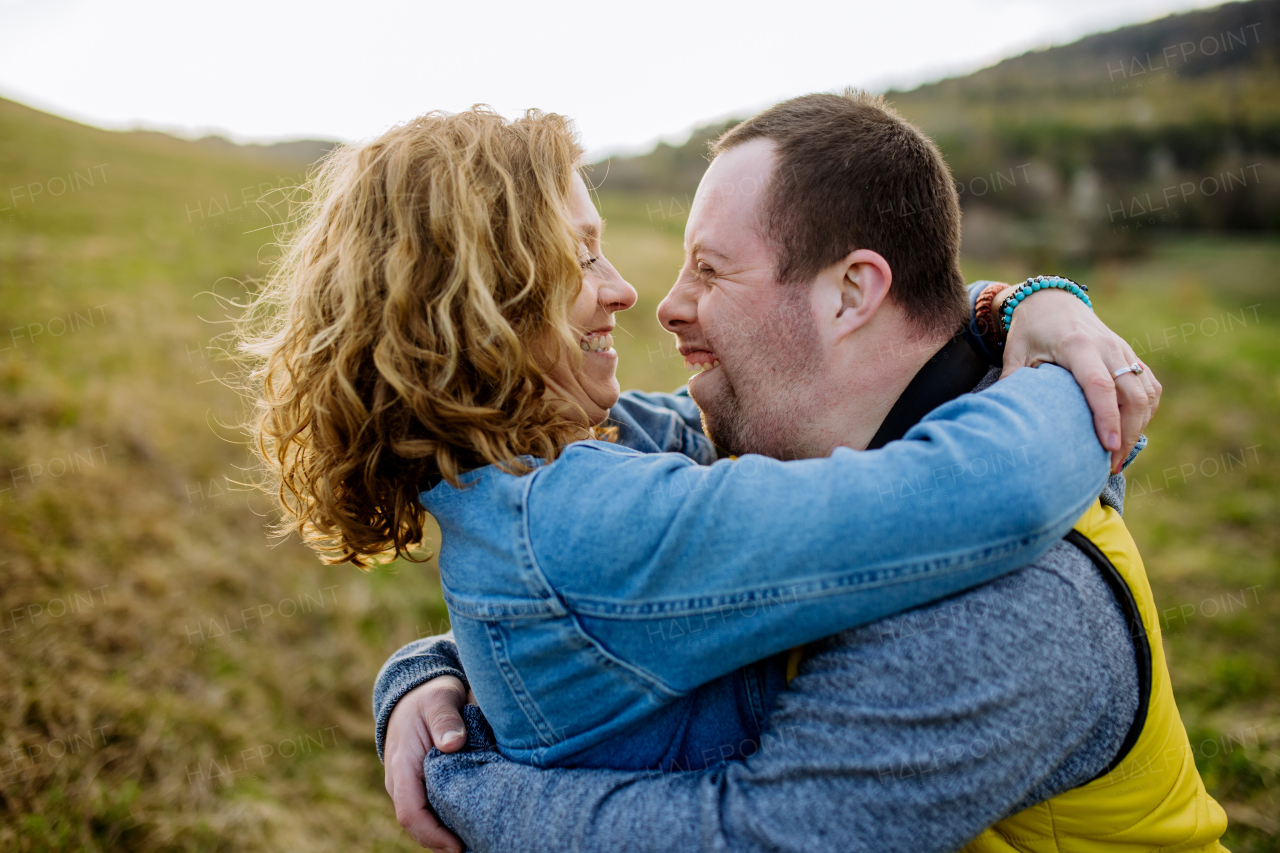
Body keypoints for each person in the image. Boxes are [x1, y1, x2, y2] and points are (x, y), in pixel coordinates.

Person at [380, 93, 1226, 853]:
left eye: (709, 270)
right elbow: (573, 585)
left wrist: (463, 782)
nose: (662, 302)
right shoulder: (780, 454)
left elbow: (757, 836)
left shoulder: (1010, 596)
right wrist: (433, 671)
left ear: (853, 293)